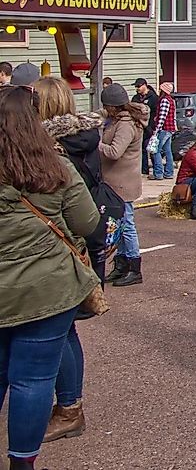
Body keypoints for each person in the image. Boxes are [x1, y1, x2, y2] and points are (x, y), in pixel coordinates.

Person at [0, 85, 101, 470]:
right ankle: (22, 462)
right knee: (33, 380)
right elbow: (87, 221)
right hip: (48, 287)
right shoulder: (55, 167)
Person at [33, 76, 106, 444]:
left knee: (59, 334)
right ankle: (67, 405)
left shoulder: (54, 150)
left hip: (61, 246)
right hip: (77, 246)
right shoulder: (85, 141)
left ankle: (68, 408)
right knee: (65, 331)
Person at [100, 83, 147, 288]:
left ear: (113, 106)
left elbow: (114, 152)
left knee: (127, 225)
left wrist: (95, 143)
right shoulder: (118, 121)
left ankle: (134, 267)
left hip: (123, 183)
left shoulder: (126, 125)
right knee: (117, 225)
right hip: (114, 182)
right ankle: (121, 265)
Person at [149, 81, 178, 181]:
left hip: (164, 129)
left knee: (155, 150)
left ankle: (158, 173)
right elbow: (173, 116)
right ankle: (169, 172)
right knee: (167, 151)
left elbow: (162, 117)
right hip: (170, 129)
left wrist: (157, 129)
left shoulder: (164, 101)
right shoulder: (171, 100)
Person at [133, 79, 158, 177]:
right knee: (141, 149)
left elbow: (156, 112)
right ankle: (144, 170)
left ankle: (157, 171)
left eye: (139, 86)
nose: (137, 89)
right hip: (139, 127)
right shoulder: (136, 98)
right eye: (136, 87)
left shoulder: (153, 97)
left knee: (152, 149)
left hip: (150, 127)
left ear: (145, 86)